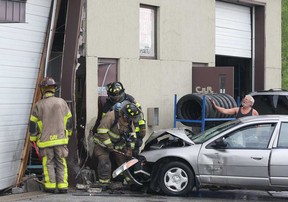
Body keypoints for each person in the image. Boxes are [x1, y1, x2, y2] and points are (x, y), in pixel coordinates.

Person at [29, 77, 73, 194]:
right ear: (54, 89)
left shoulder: (38, 105)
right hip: (60, 140)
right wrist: (68, 134)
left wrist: (33, 138)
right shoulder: (62, 102)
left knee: (48, 163)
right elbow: (69, 120)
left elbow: (33, 124)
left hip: (45, 141)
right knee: (61, 163)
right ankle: (63, 186)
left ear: (42, 90)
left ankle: (50, 186)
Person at [93, 102, 142, 190]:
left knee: (124, 163)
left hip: (118, 145)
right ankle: (104, 183)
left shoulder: (129, 122)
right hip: (102, 144)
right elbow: (101, 131)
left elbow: (132, 136)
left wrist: (130, 150)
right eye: (130, 118)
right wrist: (109, 144)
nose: (131, 120)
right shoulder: (111, 116)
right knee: (104, 162)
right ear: (125, 115)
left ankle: (130, 182)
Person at [93, 81, 146, 155]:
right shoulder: (107, 105)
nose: (117, 99)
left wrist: (142, 128)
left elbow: (138, 113)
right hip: (117, 133)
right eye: (114, 97)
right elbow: (103, 123)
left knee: (135, 146)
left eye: (119, 96)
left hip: (132, 127)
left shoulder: (130, 99)